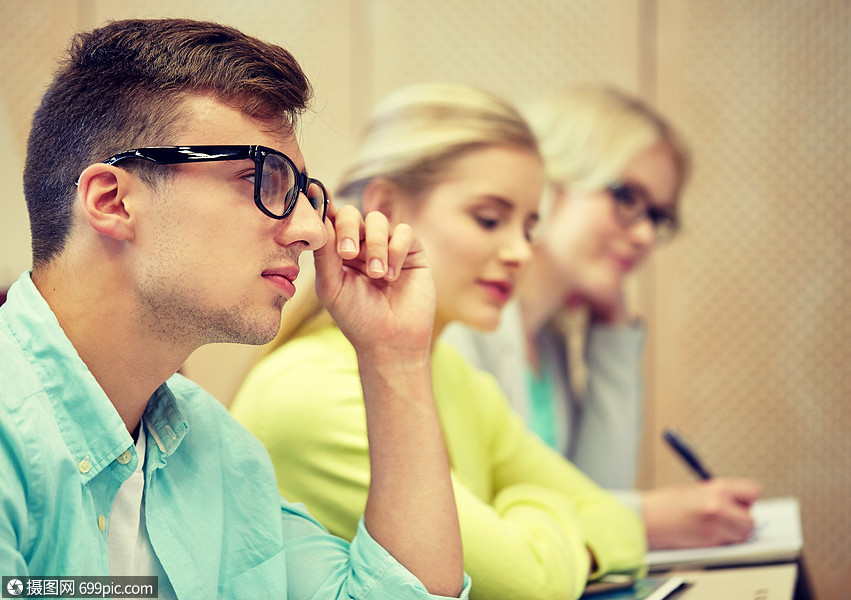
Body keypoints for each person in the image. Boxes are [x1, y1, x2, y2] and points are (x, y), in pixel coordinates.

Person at [0, 18, 470, 599]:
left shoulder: (214, 448)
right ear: (113, 200)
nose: (311, 232)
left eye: (304, 193)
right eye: (263, 180)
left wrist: (393, 357)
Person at [231, 82, 646, 600]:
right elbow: (527, 585)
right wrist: (536, 507)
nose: (520, 251)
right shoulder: (312, 392)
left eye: (530, 226)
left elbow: (619, 524)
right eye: (489, 219)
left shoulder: (453, 374)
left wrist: (528, 524)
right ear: (385, 206)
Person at [442, 84, 762, 550]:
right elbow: (469, 528)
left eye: (658, 216)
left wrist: (614, 335)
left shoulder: (546, 343)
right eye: (627, 198)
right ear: (547, 180)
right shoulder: (460, 324)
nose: (645, 235)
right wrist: (646, 522)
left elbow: (597, 493)